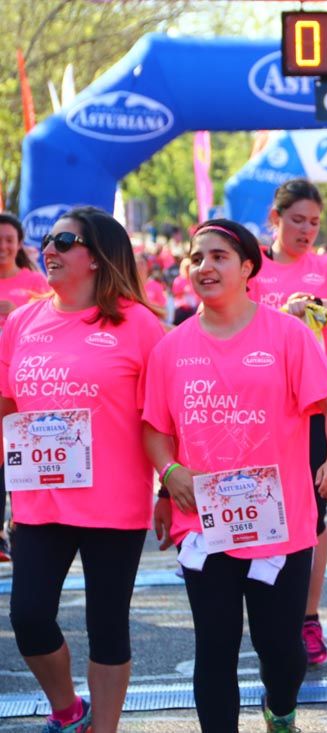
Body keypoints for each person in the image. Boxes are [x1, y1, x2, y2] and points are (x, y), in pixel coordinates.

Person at [142, 219, 327, 732]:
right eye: (197, 258)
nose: (205, 267)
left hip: (281, 525)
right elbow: (153, 429)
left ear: (247, 268)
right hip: (205, 524)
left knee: (280, 650)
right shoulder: (172, 347)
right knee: (213, 646)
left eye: (219, 257)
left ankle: (280, 710)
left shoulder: (287, 334)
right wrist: (169, 475)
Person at [1, 206, 164, 733]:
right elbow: (7, 404)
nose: (49, 247)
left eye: (65, 240)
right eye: (47, 239)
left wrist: (171, 485)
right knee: (28, 618)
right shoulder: (21, 321)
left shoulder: (139, 325)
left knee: (107, 627)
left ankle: (106, 728)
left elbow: (163, 415)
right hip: (38, 500)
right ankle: (68, 710)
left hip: (113, 503)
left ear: (97, 257)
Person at [251, 178, 327, 666]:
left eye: (314, 222)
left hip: (314, 407)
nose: (307, 230)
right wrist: (280, 309)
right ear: (276, 218)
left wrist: (314, 307)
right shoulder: (252, 263)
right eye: (297, 220)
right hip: (258, 406)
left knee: (314, 516)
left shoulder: (325, 266)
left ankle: (309, 618)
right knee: (261, 506)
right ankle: (266, 615)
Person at [0, 212, 50, 561]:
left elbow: (56, 318)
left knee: (18, 461)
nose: (2, 246)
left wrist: (15, 308)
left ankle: (21, 529)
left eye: (8, 239)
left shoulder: (36, 282)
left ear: (18, 244)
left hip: (24, 387)